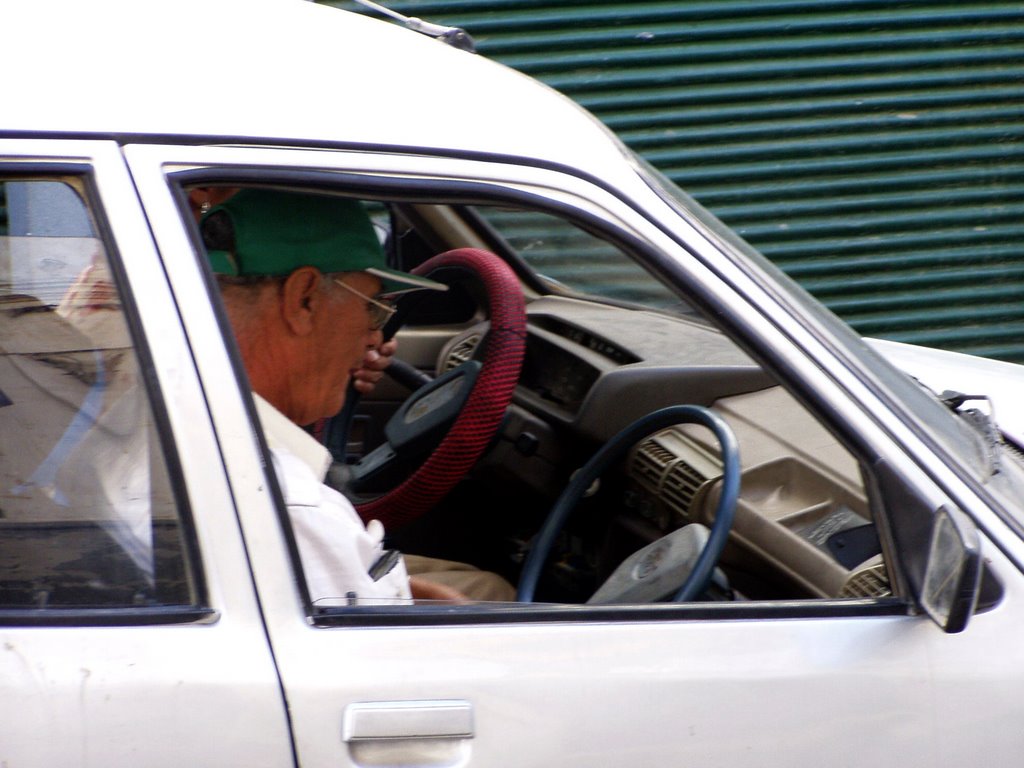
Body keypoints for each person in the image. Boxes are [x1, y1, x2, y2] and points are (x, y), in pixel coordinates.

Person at [200, 188, 515, 604]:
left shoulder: (185, 409)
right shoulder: (288, 506)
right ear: (305, 299)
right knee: (493, 592)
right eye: (372, 309)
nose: (374, 339)